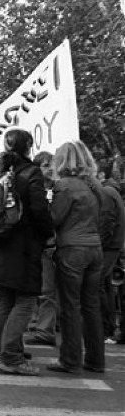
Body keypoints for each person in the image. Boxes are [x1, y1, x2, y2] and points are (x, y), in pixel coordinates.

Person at [0, 128, 53, 376]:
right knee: (25, 301)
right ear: (27, 146)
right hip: (24, 247)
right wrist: (47, 234)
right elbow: (40, 211)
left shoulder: (0, 171)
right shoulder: (30, 173)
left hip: (0, 245)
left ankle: (0, 350)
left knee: (5, 301)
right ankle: (10, 356)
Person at [48, 140, 106, 374]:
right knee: (91, 306)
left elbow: (55, 219)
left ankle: (70, 359)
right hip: (95, 248)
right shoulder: (95, 186)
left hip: (72, 249)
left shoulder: (65, 186)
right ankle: (95, 360)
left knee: (70, 306)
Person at [24, 151, 58, 346]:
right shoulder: (35, 189)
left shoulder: (58, 189)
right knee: (36, 288)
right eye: (46, 165)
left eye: (52, 164)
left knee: (47, 290)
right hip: (36, 245)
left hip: (49, 245)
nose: (50, 169)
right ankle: (36, 323)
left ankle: (44, 329)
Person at [96, 161, 125, 342]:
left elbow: (106, 221)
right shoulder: (111, 191)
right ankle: (108, 326)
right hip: (113, 244)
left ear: (100, 175)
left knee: (97, 284)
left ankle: (105, 327)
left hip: (108, 246)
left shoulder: (106, 192)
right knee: (105, 286)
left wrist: (99, 243)